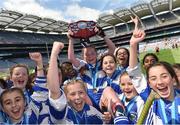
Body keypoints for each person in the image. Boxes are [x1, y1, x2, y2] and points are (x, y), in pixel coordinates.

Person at [126, 17, 180, 124]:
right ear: (149, 83)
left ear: (172, 78)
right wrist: (132, 44)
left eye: (164, 76)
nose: (159, 82)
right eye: (153, 78)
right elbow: (134, 72)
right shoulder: (149, 96)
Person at [47, 41, 113, 124]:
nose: (77, 97)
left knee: (109, 90)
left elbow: (104, 120)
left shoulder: (92, 112)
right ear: (65, 97)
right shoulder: (62, 113)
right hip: (91, 99)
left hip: (101, 99)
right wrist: (54, 54)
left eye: (81, 92)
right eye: (72, 94)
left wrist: (107, 120)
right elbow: (54, 90)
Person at [0, 87, 66, 124]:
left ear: (25, 102)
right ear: (2, 108)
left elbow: (41, 92)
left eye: (17, 100)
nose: (14, 105)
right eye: (8, 103)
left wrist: (39, 65)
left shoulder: (36, 117)